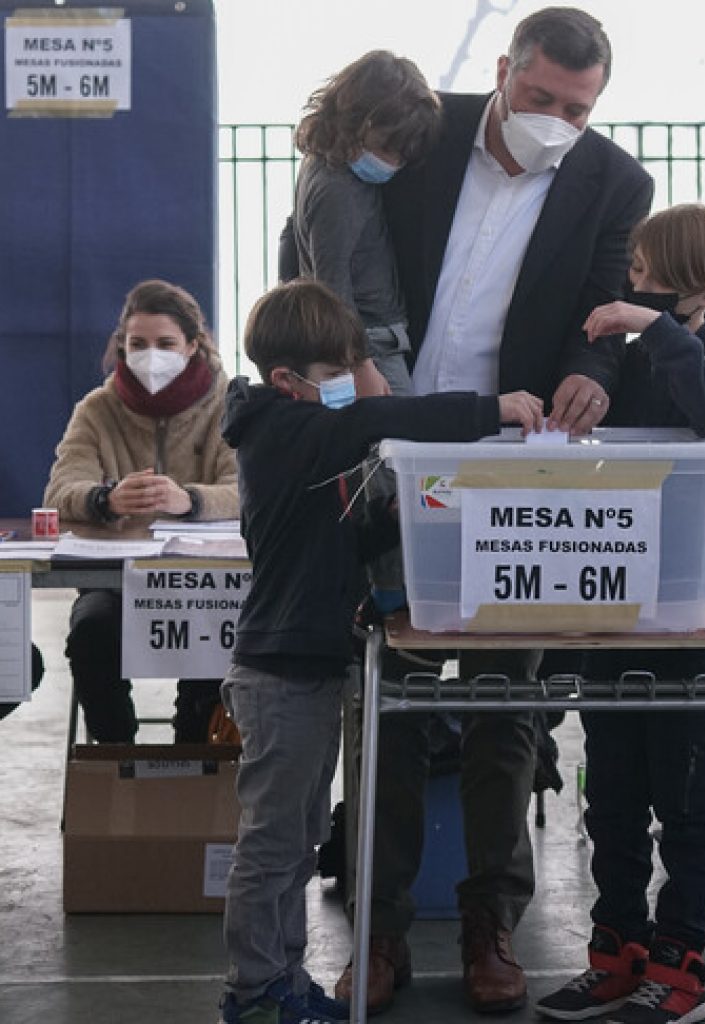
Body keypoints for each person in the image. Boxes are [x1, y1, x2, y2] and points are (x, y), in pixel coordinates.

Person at [342, 7, 654, 1016]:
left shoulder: (616, 181)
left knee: (505, 703)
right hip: (387, 444)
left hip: (513, 464)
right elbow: (330, 244)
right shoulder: (423, 134)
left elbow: (601, 314)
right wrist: (347, 369)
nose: (555, 121)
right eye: (538, 97)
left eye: (578, 109)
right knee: (382, 695)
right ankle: (379, 928)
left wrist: (592, 372)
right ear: (503, 69)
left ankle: (492, 923)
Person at [216, 278, 543, 1024]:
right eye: (337, 372)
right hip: (281, 676)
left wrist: (410, 524)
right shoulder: (287, 431)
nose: (353, 385)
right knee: (272, 846)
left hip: (306, 669)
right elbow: (387, 414)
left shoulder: (296, 435)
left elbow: (335, 541)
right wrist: (494, 409)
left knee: (300, 842)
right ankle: (254, 990)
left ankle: (283, 982)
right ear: (287, 380)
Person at [536, 203, 705, 1024]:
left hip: (696, 618)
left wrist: (658, 329)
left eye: (650, 275)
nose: (633, 285)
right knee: (613, 796)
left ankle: (680, 963)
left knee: (691, 802)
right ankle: (618, 948)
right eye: (632, 270)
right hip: (615, 605)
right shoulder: (618, 364)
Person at [42, 280, 238, 743]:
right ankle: (115, 754)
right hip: (116, 580)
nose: (152, 355)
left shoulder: (228, 404)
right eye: (138, 344)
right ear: (122, 347)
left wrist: (190, 500)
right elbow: (59, 491)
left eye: (166, 344)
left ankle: (194, 756)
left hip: (205, 584)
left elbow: (247, 490)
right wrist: (103, 499)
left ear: (192, 345)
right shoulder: (97, 409)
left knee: (219, 639)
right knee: (90, 633)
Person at [289, 49, 441, 397]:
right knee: (398, 427)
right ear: (357, 121)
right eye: (387, 147)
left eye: (402, 154)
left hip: (369, 340)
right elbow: (332, 287)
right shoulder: (338, 189)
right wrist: (360, 364)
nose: (393, 163)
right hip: (370, 342)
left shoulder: (325, 161)